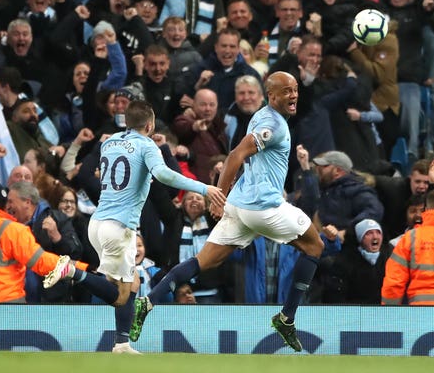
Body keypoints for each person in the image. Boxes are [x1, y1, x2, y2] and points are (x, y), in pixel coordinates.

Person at [130, 72, 325, 353]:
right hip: (264, 206)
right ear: (272, 96)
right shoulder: (273, 126)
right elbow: (235, 155)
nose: (293, 96)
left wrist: (227, 197)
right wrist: (218, 196)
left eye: (295, 90)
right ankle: (287, 318)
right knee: (315, 246)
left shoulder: (260, 116)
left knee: (203, 261)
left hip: (241, 206)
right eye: (286, 91)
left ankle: (148, 301)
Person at [54, 100, 225, 354]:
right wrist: (203, 187)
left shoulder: (109, 143)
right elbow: (164, 175)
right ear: (150, 124)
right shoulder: (146, 145)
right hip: (119, 229)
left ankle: (122, 343)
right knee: (121, 296)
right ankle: (72, 271)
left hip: (98, 224)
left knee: (132, 282)